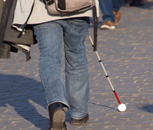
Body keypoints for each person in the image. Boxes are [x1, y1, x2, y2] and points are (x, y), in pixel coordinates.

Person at [12, 0, 99, 130]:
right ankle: (79, 114)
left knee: (49, 57)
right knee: (76, 57)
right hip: (79, 7)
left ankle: (56, 104)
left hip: (42, 11)